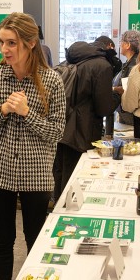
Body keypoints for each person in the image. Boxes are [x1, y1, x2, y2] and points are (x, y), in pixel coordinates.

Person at [0, 12, 65, 280]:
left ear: (31, 43)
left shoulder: (52, 81)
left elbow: (56, 133)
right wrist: (3, 111)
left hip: (36, 174)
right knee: (3, 240)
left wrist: (27, 113)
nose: (5, 50)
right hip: (0, 172)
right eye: (2, 42)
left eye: (11, 43)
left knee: (35, 240)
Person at [52, 40, 115, 199]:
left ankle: (57, 211)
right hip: (83, 130)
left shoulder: (68, 61)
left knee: (60, 171)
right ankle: (70, 211)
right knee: (77, 174)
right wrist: (117, 96)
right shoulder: (101, 66)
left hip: (60, 125)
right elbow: (103, 108)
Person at [112, 29, 140, 125]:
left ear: (128, 45)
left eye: (121, 42)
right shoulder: (130, 63)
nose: (120, 45)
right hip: (126, 112)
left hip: (129, 114)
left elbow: (127, 90)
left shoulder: (133, 65)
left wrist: (113, 89)